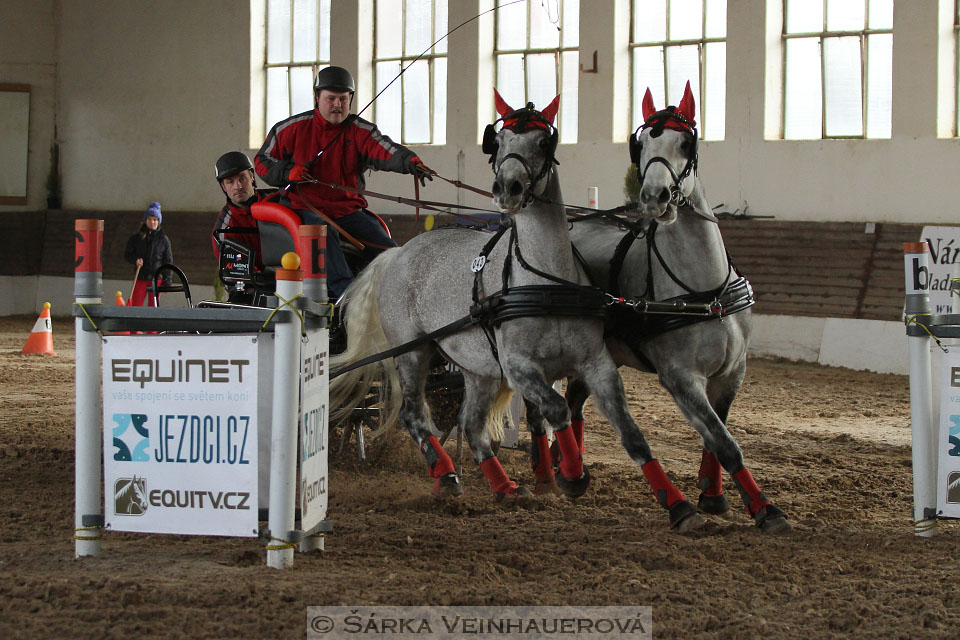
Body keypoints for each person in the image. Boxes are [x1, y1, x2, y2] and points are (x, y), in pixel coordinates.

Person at [255, 65, 435, 299]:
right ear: (317, 97)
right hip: (305, 208)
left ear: (350, 99)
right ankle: (346, 297)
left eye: (343, 98)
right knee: (323, 231)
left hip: (348, 210)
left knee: (386, 247)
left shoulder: (359, 130)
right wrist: (288, 172)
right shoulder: (291, 128)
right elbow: (262, 161)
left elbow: (384, 148)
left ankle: (402, 295)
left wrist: (410, 161)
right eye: (330, 98)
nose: (337, 105)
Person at [211, 151, 278, 304]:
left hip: (294, 281)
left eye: (242, 178)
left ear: (252, 177)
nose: (238, 186)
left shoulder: (278, 201)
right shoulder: (225, 228)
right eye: (230, 181)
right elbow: (237, 275)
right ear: (223, 186)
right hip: (252, 293)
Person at [124, 201, 174, 307]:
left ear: (159, 221)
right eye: (150, 219)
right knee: (136, 305)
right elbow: (127, 255)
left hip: (157, 279)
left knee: (154, 307)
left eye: (155, 220)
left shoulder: (164, 240)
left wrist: (168, 280)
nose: (153, 222)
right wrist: (136, 260)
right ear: (145, 220)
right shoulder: (136, 238)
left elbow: (168, 261)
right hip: (141, 277)